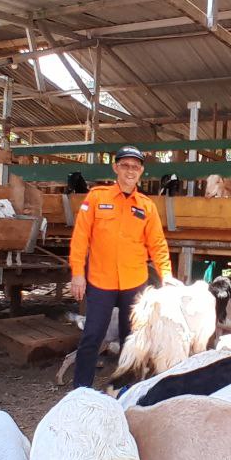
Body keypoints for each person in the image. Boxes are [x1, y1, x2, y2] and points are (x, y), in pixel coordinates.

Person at [67, 146, 172, 388]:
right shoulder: (96, 197)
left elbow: (157, 245)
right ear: (115, 168)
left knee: (132, 340)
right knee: (92, 336)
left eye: (135, 166)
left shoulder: (146, 206)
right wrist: (77, 274)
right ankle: (80, 392)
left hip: (134, 283)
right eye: (125, 165)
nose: (130, 171)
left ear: (141, 171)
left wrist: (166, 276)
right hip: (100, 281)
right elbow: (80, 238)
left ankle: (128, 391)